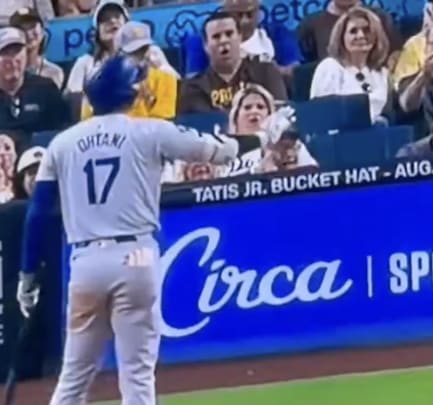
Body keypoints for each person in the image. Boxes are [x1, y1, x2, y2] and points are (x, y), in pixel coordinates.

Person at [13, 54, 256, 405]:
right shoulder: (150, 130)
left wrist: (28, 275)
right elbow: (219, 152)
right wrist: (257, 138)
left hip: (86, 261)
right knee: (137, 375)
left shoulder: (62, 143)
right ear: (128, 91)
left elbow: (37, 213)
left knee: (73, 377)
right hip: (136, 256)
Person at [310, 6, 393, 125]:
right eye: (353, 31)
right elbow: (320, 116)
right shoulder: (329, 67)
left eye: (367, 30)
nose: (360, 35)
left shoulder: (381, 73)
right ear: (342, 37)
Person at [9, 7, 64, 89]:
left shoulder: (54, 72)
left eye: (32, 26)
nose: (28, 33)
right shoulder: (5, 73)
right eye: (21, 29)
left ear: (42, 31)